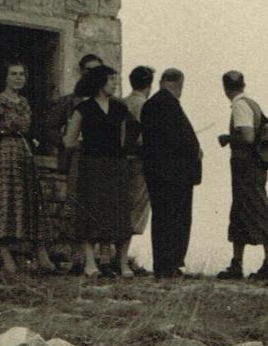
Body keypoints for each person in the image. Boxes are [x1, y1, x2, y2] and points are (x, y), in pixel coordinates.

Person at [0, 61, 57, 274]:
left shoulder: (24, 102)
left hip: (25, 153)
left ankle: (41, 256)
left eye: (22, 74)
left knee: (32, 201)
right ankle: (7, 258)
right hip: (6, 153)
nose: (18, 78)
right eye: (13, 74)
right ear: (6, 77)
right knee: (6, 202)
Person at [63, 65, 133, 278]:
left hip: (116, 165)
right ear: (100, 82)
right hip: (92, 166)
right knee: (90, 212)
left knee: (118, 213)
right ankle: (90, 262)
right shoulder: (83, 108)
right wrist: (88, 145)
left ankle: (119, 263)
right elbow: (68, 141)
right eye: (111, 79)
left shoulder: (119, 108)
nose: (115, 83)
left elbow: (125, 138)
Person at [216, 69, 268, 281]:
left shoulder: (240, 106)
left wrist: (228, 139)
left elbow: (248, 137)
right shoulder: (252, 104)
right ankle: (239, 264)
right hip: (251, 167)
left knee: (258, 209)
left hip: (246, 167)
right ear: (243, 84)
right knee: (242, 211)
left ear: (225, 88)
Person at [141, 68, 202, 278]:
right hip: (174, 174)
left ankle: (166, 264)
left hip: (159, 172)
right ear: (178, 84)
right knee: (174, 219)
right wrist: (195, 153)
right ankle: (169, 264)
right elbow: (177, 140)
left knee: (163, 218)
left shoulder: (152, 104)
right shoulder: (168, 104)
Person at [44, 53, 103, 271]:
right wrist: (66, 141)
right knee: (76, 207)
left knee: (100, 208)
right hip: (76, 161)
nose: (92, 75)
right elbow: (49, 127)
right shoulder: (68, 102)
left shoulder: (108, 101)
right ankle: (78, 258)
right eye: (88, 71)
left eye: (97, 71)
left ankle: (100, 259)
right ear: (80, 72)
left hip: (101, 162)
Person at [123, 65, 154, 271]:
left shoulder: (122, 102)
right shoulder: (145, 105)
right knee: (134, 209)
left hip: (120, 160)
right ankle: (122, 257)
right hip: (138, 160)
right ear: (149, 85)